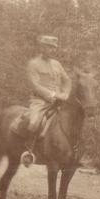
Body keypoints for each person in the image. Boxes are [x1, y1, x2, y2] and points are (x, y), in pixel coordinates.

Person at [17, 34, 71, 166]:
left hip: (59, 101)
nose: (51, 50)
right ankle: (29, 152)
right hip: (40, 101)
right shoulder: (33, 64)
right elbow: (34, 86)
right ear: (41, 47)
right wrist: (52, 95)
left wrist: (65, 94)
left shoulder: (57, 64)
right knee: (34, 122)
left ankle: (71, 151)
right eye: (48, 47)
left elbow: (67, 80)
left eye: (53, 48)